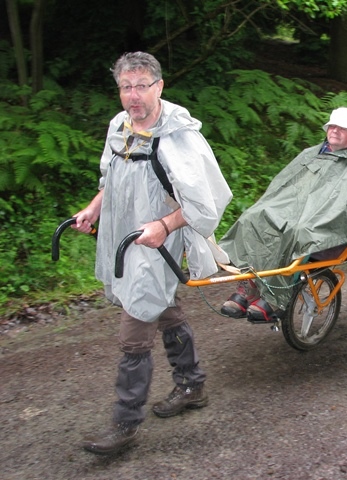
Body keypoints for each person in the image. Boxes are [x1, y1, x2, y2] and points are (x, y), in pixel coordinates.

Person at [72, 52, 232, 454]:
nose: (133, 95)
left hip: (156, 243)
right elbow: (113, 178)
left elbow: (206, 203)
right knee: (164, 307)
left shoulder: (178, 137)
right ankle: (192, 384)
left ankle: (124, 425)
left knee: (135, 325)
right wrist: (94, 207)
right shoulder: (119, 126)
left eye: (142, 85)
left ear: (159, 86)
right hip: (123, 237)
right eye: (126, 87)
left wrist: (163, 226)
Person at [218, 107, 347, 322]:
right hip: (300, 213)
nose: (334, 131)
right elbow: (284, 188)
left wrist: (317, 216)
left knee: (298, 231)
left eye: (342, 128)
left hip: (332, 226)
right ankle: (249, 285)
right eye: (332, 126)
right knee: (254, 217)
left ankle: (276, 297)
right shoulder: (312, 154)